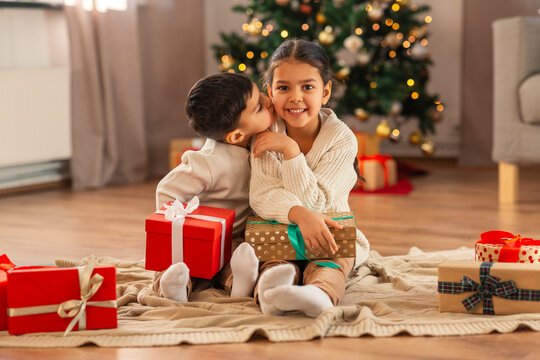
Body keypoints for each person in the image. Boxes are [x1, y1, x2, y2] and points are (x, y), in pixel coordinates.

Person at [234, 39, 370, 317]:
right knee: (274, 261)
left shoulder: (341, 139)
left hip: (328, 232)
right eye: (283, 88)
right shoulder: (266, 133)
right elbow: (262, 195)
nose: (295, 97)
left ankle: (318, 295)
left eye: (307, 87)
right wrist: (297, 214)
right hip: (279, 231)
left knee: (332, 263)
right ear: (270, 91)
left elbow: (320, 202)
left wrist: (291, 153)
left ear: (325, 92)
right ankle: (272, 293)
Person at [153, 73, 275, 302]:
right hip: (198, 236)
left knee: (238, 258)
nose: (268, 100)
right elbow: (166, 190)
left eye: (261, 93)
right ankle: (175, 286)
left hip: (234, 236)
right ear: (237, 135)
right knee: (174, 263)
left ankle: (238, 283)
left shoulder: (256, 139)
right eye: (259, 106)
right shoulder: (208, 162)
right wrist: (178, 225)